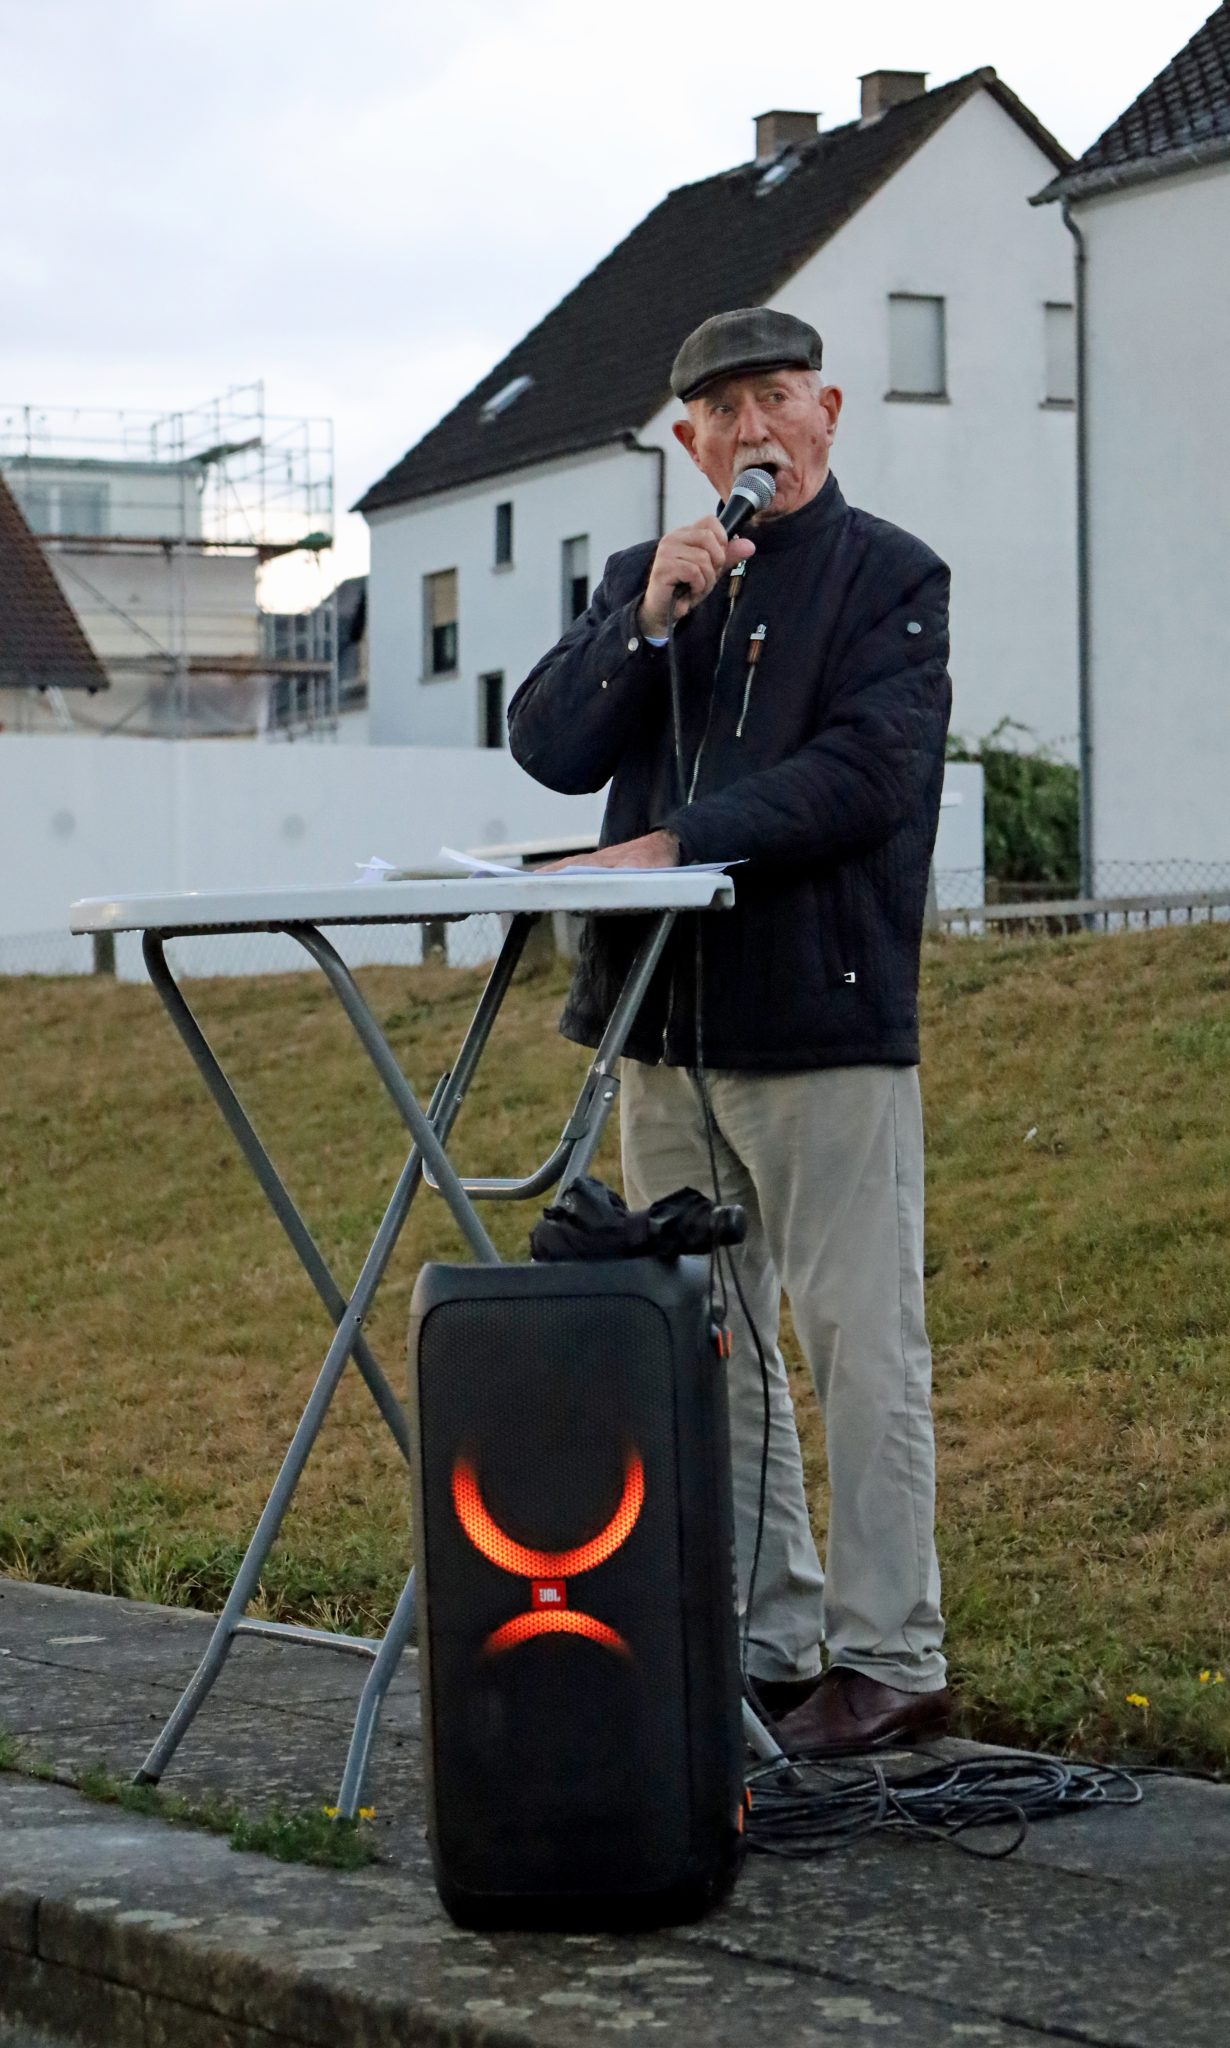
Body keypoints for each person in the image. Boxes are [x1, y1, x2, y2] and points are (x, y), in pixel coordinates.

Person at [507, 306, 952, 1755]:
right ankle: (767, 1643)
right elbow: (549, 744)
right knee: (715, 1341)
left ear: (828, 410)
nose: (755, 428)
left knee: (858, 1345)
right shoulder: (656, 579)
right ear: (688, 442)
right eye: (724, 410)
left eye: (776, 397)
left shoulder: (890, 577)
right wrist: (644, 625)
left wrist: (676, 844)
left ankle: (890, 1657)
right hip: (665, 1030)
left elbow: (866, 777)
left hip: (819, 1024)